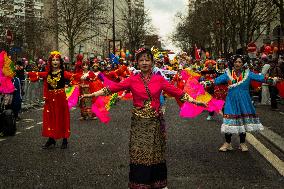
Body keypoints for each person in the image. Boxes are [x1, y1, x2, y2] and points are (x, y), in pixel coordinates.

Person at [82, 48, 206, 189]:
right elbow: (111, 88)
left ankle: (157, 183)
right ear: (137, 63)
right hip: (139, 124)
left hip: (154, 123)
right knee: (139, 153)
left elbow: (179, 93)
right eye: (141, 60)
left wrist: (195, 102)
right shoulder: (132, 79)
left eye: (147, 60)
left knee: (155, 153)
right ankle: (139, 183)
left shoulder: (159, 79)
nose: (145, 63)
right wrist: (92, 95)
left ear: (152, 62)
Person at [214, 55, 268, 152]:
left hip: (244, 101)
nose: (237, 64)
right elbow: (216, 81)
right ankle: (227, 143)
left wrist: (273, 79)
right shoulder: (228, 73)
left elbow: (261, 78)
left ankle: (242, 143)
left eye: (239, 62)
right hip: (231, 101)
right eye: (235, 62)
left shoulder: (248, 74)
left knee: (243, 121)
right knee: (228, 122)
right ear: (233, 63)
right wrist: (206, 82)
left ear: (243, 64)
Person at [28, 51, 74, 149]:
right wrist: (26, 73)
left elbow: (73, 77)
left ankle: (65, 139)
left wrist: (84, 76)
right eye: (53, 60)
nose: (55, 61)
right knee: (50, 119)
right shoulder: (47, 74)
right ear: (50, 62)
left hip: (61, 99)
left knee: (62, 118)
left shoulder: (63, 73)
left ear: (60, 62)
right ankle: (51, 139)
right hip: (50, 100)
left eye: (57, 60)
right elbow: (37, 74)